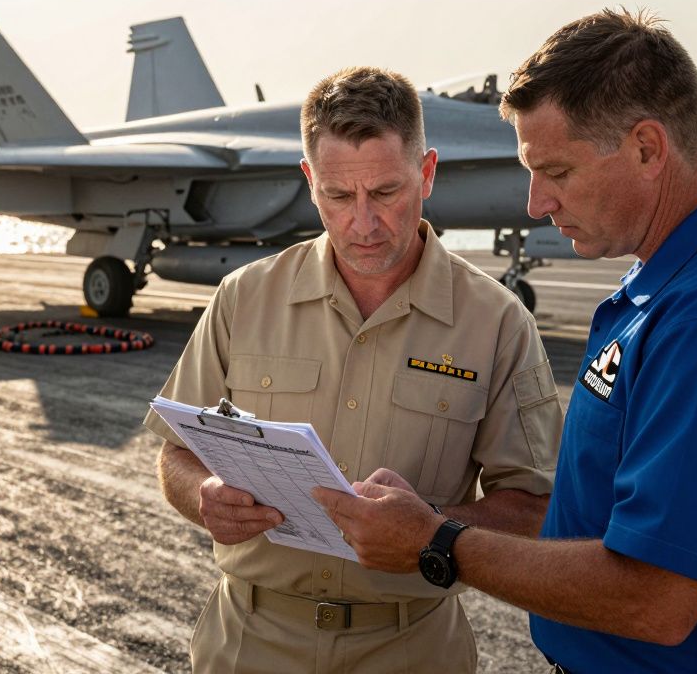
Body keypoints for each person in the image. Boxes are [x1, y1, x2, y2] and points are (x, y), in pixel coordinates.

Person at [314, 10, 697, 673]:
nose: (536, 202)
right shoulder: (669, 283)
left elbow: (656, 599)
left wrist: (438, 542)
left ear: (648, 149)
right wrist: (429, 517)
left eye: (557, 171)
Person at [144, 66, 563, 673]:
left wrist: (430, 531)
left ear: (427, 174)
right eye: (338, 197)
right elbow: (177, 453)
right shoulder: (243, 297)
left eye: (387, 192)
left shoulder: (497, 323)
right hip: (248, 643)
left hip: (411, 650)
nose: (363, 223)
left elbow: (533, 507)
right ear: (310, 181)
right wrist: (203, 496)